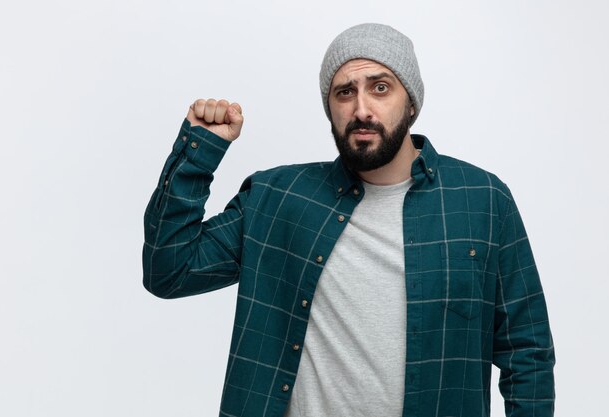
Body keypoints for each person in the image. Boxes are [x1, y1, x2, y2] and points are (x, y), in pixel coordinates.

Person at [143, 23, 555, 417]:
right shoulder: (278, 198)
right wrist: (200, 148)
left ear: (410, 101)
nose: (362, 109)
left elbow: (527, 352)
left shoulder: (481, 200)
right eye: (344, 92)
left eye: (380, 88)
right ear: (330, 109)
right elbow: (170, 270)